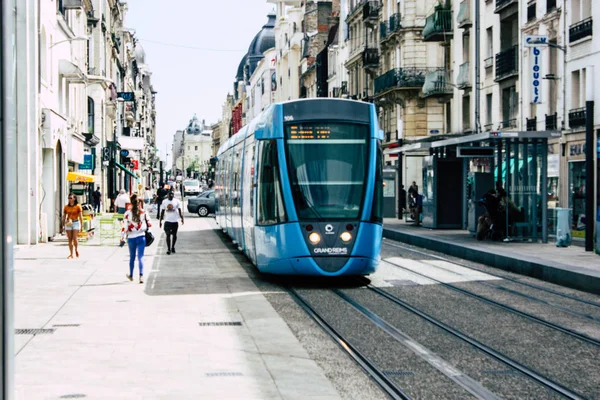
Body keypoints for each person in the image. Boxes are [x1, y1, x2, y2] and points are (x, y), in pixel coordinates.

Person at [122, 194, 150, 283]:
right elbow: (149, 224)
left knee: (132, 257)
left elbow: (124, 227)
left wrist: (122, 237)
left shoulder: (127, 213)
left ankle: (131, 275)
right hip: (141, 236)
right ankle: (141, 276)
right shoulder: (143, 212)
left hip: (131, 237)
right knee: (141, 256)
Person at [160, 190, 184, 255]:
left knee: (174, 235)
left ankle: (173, 247)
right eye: (169, 194)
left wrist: (182, 218)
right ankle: (168, 249)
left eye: (172, 194)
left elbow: (179, 210)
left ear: (174, 195)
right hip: (167, 221)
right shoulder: (164, 202)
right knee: (167, 235)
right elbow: (162, 211)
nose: (171, 196)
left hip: (174, 221)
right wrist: (160, 221)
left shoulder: (177, 201)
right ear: (167, 195)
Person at [62, 193, 84, 259]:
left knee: (75, 238)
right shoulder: (66, 207)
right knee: (70, 239)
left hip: (75, 222)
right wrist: (63, 224)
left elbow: (80, 216)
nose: (69, 199)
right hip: (69, 223)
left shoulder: (78, 206)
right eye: (69, 198)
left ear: (74, 199)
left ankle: (76, 249)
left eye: (71, 198)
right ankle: (71, 254)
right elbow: (64, 216)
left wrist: (82, 225)